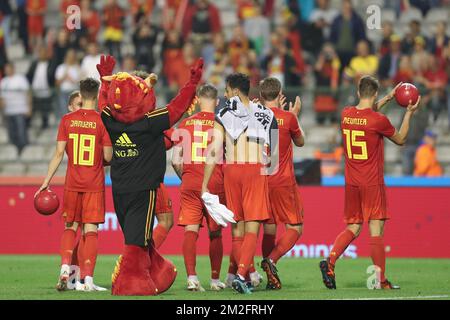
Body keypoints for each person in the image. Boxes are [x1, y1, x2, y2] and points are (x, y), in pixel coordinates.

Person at [100, 57, 203, 296]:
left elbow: (104, 104)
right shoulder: (149, 123)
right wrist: (192, 83)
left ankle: (153, 274)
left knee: (137, 237)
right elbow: (177, 108)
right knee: (138, 241)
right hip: (144, 189)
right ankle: (132, 283)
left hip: (118, 190)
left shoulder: (112, 122)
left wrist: (105, 83)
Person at [319, 76, 421, 290]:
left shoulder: (346, 114)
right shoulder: (378, 121)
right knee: (376, 229)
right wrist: (409, 113)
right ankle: (381, 280)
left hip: (351, 183)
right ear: (374, 93)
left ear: (358, 93)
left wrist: (389, 98)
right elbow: (401, 139)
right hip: (372, 182)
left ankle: (330, 261)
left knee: (353, 227)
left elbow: (366, 112)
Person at [202, 73, 278, 294]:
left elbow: (214, 150)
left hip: (232, 171)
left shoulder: (223, 114)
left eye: (226, 91)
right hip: (255, 169)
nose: (225, 95)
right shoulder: (265, 114)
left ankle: (242, 274)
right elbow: (273, 154)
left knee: (237, 229)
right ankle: (242, 275)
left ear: (235, 91)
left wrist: (204, 184)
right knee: (252, 227)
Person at [35, 78, 113, 291]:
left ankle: (64, 269)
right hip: (94, 184)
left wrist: (45, 182)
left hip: (72, 182)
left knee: (71, 227)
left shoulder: (67, 120)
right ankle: (87, 280)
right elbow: (108, 155)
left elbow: (59, 153)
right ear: (96, 96)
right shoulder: (102, 121)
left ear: (81, 93)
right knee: (91, 231)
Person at [171, 84, 225, 292]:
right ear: (217, 101)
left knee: (190, 230)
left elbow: (176, 161)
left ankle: (192, 278)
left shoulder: (184, 124)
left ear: (198, 100)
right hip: (214, 182)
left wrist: (185, 177)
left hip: (190, 181)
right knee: (216, 233)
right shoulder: (221, 124)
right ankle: (214, 279)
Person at [257, 78, 304, 290]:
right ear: (280, 93)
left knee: (268, 228)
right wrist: (294, 115)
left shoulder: (252, 117)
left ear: (260, 96)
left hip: (260, 179)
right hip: (283, 181)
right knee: (295, 227)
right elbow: (300, 141)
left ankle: (270, 278)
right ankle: (272, 260)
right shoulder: (288, 118)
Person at [0, 63, 31, 155]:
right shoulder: (3, 82)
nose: (7, 70)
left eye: (9, 68)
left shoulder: (20, 79)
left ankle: (24, 150)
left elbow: (28, 93)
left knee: (21, 131)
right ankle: (15, 150)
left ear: (13, 68)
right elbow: (1, 97)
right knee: (11, 133)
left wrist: (29, 107)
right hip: (8, 111)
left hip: (20, 109)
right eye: (6, 69)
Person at [27, 46, 55, 129]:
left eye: (44, 53)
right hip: (35, 90)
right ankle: (28, 123)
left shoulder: (51, 63)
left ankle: (45, 123)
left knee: (45, 109)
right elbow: (29, 75)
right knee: (33, 108)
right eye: (41, 53)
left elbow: (52, 75)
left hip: (46, 90)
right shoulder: (34, 63)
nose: (42, 54)